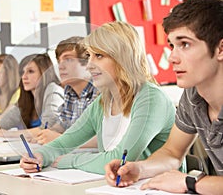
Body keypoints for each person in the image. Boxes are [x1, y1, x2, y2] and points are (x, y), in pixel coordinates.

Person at [20, 21, 177, 175]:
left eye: (99, 56)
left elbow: (120, 160)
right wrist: (39, 156)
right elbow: (64, 142)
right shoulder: (103, 102)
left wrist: (70, 161)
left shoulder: (151, 99)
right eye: (89, 56)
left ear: (122, 58)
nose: (89, 65)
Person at [104, 0, 223, 195]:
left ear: (220, 49)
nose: (173, 58)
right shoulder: (193, 96)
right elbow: (172, 152)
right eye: (172, 46)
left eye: (185, 44)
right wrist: (140, 169)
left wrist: (191, 182)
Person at [0, 53, 64, 138]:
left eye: (30, 71)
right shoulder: (27, 98)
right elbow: (2, 124)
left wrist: (9, 134)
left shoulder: (53, 90)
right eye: (22, 72)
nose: (24, 77)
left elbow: (47, 129)